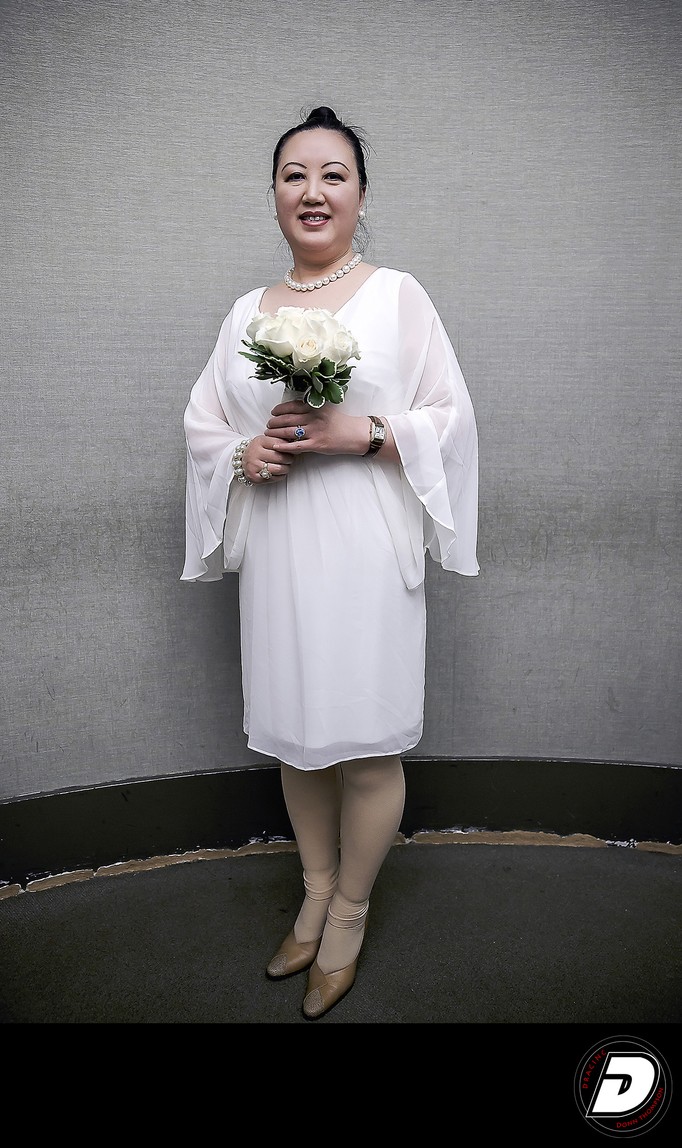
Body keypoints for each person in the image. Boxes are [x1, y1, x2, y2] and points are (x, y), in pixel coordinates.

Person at [181, 105, 479, 1019]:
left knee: (366, 743)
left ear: (359, 194)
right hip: (279, 545)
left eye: (333, 175)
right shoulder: (245, 312)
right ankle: (312, 890)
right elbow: (206, 424)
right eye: (294, 175)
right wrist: (244, 456)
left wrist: (367, 429)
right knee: (295, 731)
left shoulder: (400, 298)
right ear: (273, 195)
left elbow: (452, 417)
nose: (313, 192)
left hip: (363, 545)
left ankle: (348, 911)